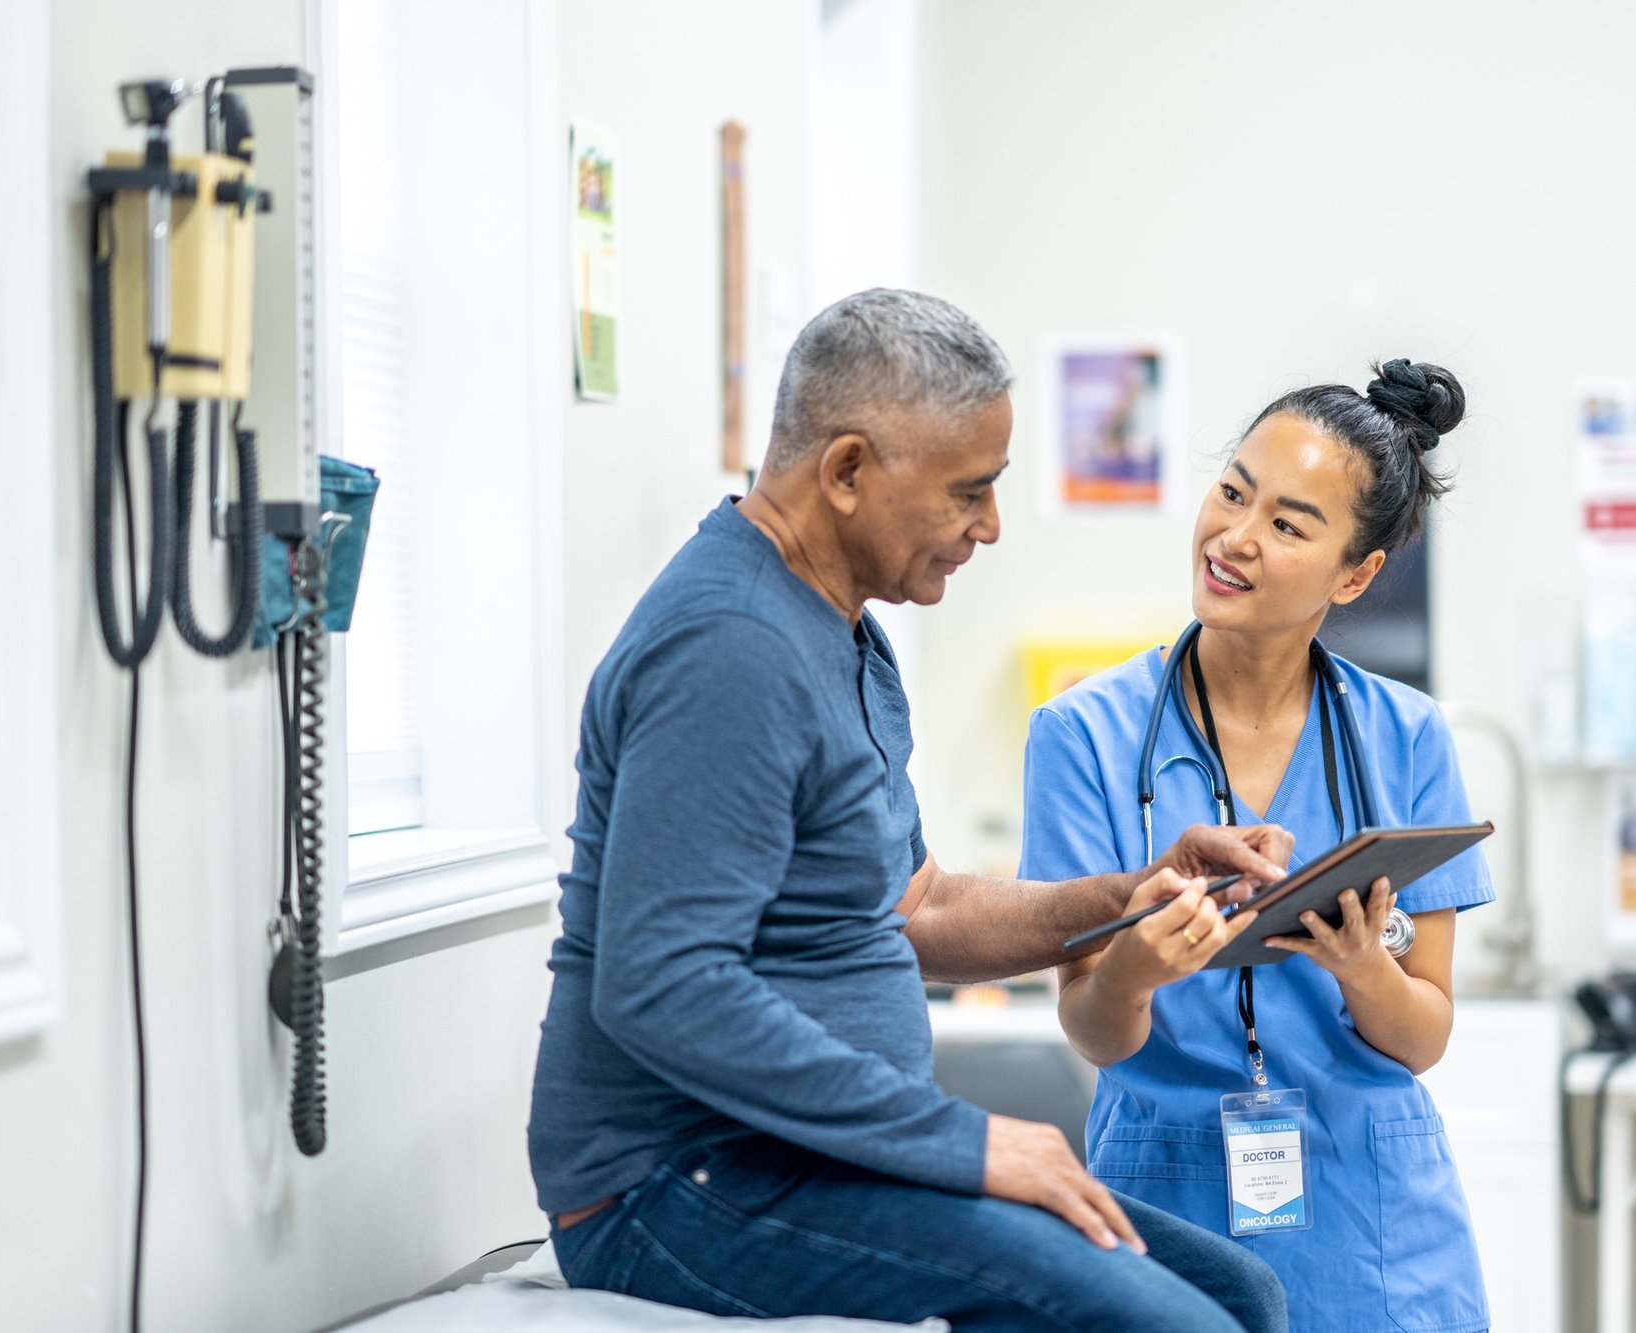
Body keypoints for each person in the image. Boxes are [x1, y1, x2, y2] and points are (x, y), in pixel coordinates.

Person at [529, 289, 1293, 1332]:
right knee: (1175, 1326)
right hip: (680, 1183)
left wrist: (1133, 893)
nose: (985, 526)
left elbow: (918, 908)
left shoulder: (842, 629)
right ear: (845, 471)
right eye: (967, 492)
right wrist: (965, 1142)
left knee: (1238, 1292)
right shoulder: (729, 649)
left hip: (813, 1159)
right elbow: (658, 985)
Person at [1020, 360, 1495, 1333]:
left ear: (1354, 574)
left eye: (1286, 523)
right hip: (1164, 1197)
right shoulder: (1082, 737)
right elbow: (1091, 1030)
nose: (1233, 537)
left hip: (1375, 1226)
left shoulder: (1405, 737)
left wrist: (1364, 967)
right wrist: (1132, 968)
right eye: (1232, 490)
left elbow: (1424, 1033)